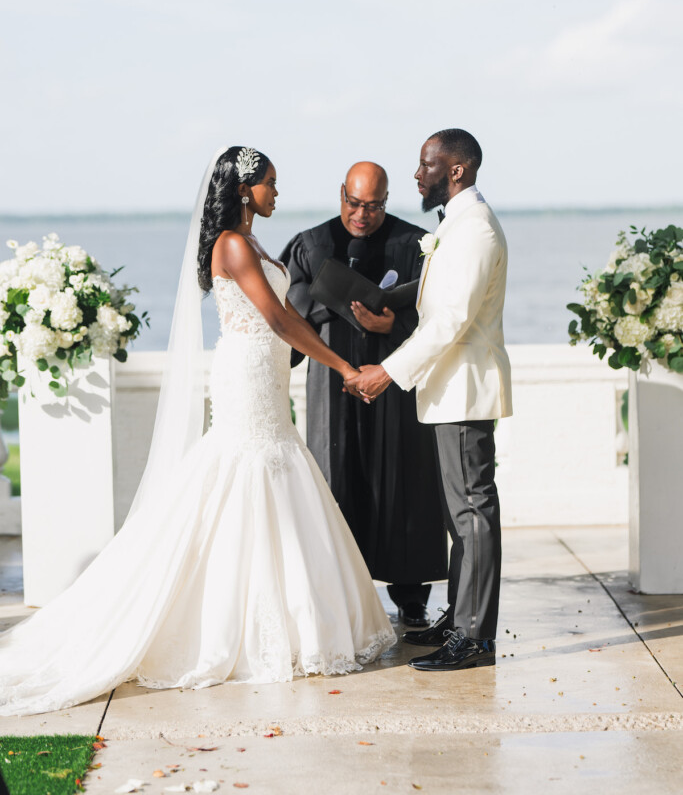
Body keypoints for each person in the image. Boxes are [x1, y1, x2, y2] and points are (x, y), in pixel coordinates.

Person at [0, 146, 395, 717]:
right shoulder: (232, 245)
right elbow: (279, 318)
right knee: (240, 474)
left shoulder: (252, 240)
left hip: (264, 374)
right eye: (270, 184)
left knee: (274, 475)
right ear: (244, 189)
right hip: (247, 374)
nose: (277, 193)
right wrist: (344, 366)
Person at [350, 130, 512, 672]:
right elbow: (436, 306)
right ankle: (461, 616)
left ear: (457, 170)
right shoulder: (457, 226)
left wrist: (387, 372)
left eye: (426, 165)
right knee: (460, 513)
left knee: (471, 511)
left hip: (464, 388)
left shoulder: (475, 230)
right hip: (449, 388)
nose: (418, 175)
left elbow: (451, 321)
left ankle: (475, 637)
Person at [280, 162, 447, 627]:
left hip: (393, 384)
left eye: (373, 206)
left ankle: (411, 596)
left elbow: (441, 316)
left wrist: (394, 324)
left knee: (404, 485)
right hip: (333, 385)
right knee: (336, 481)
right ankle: (334, 594)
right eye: (354, 203)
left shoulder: (413, 243)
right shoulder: (311, 245)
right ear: (341, 195)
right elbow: (289, 317)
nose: (362, 215)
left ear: (386, 201)